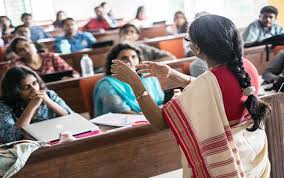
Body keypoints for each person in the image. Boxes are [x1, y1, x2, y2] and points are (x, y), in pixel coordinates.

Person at [111, 15, 271, 177]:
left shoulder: (208, 83)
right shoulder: (245, 67)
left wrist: (135, 83)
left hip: (228, 161)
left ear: (197, 48)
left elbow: (161, 122)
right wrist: (171, 74)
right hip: (251, 156)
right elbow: (214, 88)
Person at [0, 66, 73, 143]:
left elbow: (72, 118)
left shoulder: (49, 95)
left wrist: (49, 102)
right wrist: (31, 107)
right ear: (15, 91)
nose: (34, 89)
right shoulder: (3, 106)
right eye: (26, 87)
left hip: (54, 140)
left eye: (34, 83)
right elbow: (12, 138)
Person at [93, 43, 164, 117]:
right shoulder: (107, 84)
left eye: (134, 57)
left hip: (152, 119)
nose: (130, 61)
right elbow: (121, 111)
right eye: (124, 58)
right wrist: (154, 117)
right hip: (126, 124)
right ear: (114, 63)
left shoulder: (148, 77)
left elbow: (160, 102)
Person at [9, 37, 75, 75]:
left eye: (27, 45)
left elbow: (72, 73)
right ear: (18, 54)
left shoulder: (50, 56)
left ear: (33, 45)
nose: (27, 50)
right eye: (21, 50)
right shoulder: (18, 65)